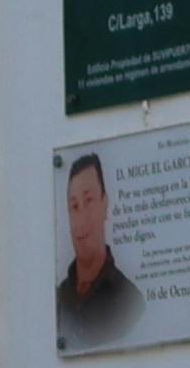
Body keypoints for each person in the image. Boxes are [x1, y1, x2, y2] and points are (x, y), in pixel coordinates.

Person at [55, 149, 141, 348]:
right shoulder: (57, 301)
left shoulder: (130, 302)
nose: (81, 218)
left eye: (89, 200)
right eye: (74, 206)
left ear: (105, 203)